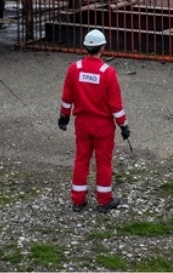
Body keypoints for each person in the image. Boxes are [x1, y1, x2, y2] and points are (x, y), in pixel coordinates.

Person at [58, 28, 130, 212]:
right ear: (102, 48)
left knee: (81, 160)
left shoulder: (75, 69)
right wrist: (123, 125)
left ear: (85, 47)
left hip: (82, 122)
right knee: (103, 162)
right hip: (103, 126)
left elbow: (67, 97)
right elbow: (115, 104)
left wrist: (64, 117)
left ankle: (78, 200)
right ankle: (104, 200)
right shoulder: (108, 72)